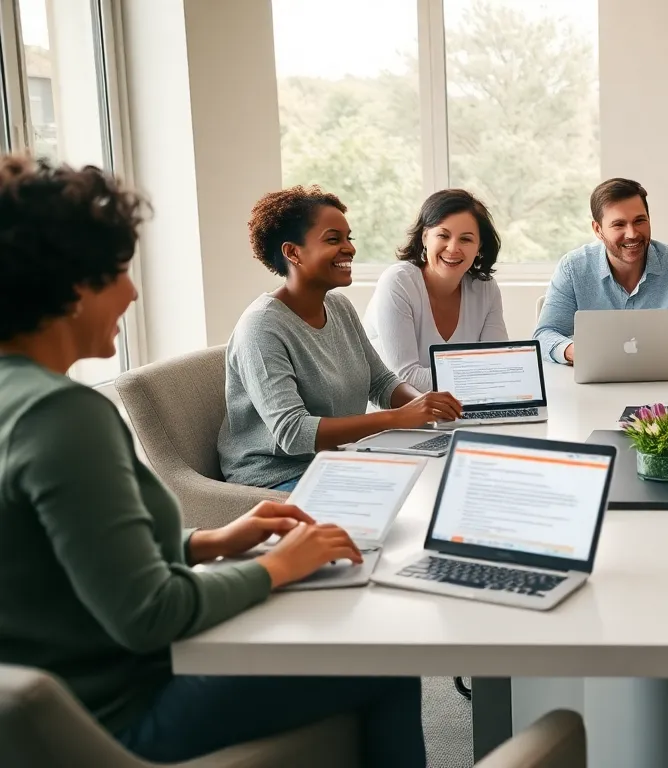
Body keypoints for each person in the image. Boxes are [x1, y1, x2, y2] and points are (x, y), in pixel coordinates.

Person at [0, 156, 425, 766]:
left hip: (58, 712)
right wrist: (277, 567)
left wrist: (206, 543)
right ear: (71, 286)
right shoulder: (63, 417)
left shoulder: (22, 404)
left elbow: (62, 559)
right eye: (118, 271)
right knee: (386, 654)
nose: (132, 291)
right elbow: (152, 614)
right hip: (120, 716)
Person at [219, 186, 463, 491]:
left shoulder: (339, 306)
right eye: (333, 239)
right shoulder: (261, 328)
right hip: (278, 477)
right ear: (292, 252)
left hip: (339, 460)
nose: (349, 248)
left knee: (451, 475)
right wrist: (398, 419)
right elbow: (293, 432)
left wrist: (427, 408)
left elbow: (381, 383)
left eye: (349, 238)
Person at [533, 178, 668, 364]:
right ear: (598, 229)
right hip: (594, 382)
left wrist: (643, 355)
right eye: (619, 224)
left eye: (639, 221)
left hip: (661, 382)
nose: (632, 233)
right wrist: (575, 352)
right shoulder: (573, 267)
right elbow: (545, 334)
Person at [365, 189, 508, 392]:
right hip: (399, 415)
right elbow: (404, 378)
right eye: (443, 235)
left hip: (462, 409)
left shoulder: (486, 288)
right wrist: (477, 375)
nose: (452, 248)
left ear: (479, 247)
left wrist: (485, 374)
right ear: (425, 237)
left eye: (466, 239)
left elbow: (498, 363)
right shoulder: (398, 282)